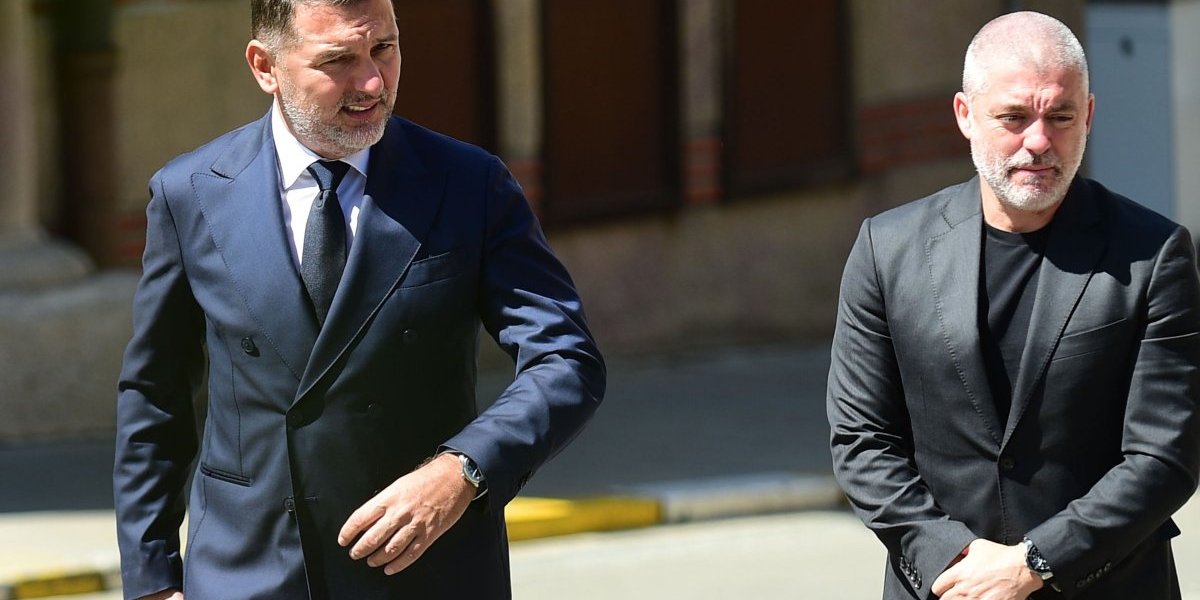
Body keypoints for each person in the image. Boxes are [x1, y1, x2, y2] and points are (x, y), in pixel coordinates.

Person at [113, 0, 605, 598]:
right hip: (249, 572)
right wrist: (153, 579)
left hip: (423, 570)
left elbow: (565, 360)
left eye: (384, 49)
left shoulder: (469, 184)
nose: (372, 82)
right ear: (265, 67)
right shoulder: (190, 193)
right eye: (338, 60)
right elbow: (156, 394)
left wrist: (463, 469)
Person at [827, 11, 1200, 600]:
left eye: (1061, 117)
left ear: (1089, 116)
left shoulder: (1153, 254)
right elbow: (862, 440)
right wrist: (954, 561)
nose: (1039, 141)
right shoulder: (887, 250)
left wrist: (1034, 564)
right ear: (965, 115)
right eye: (1013, 117)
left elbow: (1164, 457)